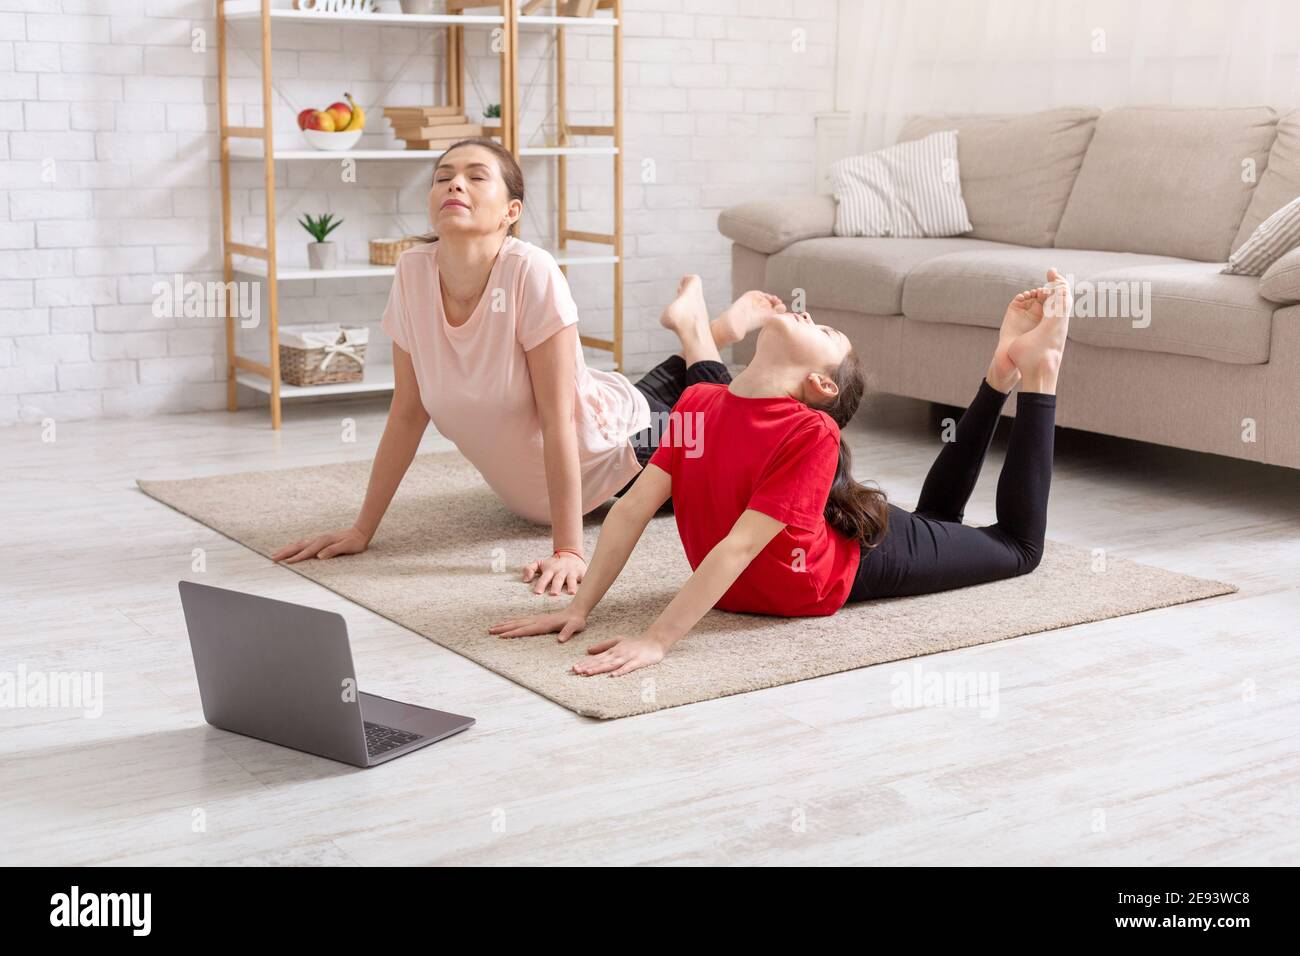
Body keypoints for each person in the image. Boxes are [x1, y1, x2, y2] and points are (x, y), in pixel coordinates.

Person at [488, 269, 1072, 678]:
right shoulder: (696, 405)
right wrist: (580, 607)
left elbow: (740, 546)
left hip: (843, 564)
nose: (810, 315)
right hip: (776, 567)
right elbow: (634, 509)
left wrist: (657, 639)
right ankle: (1001, 371)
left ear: (818, 385)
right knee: (937, 524)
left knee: (1018, 549)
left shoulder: (812, 432)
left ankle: (1036, 371)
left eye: (824, 334)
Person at [272, 137, 786, 597]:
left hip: (618, 452)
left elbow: (559, 419)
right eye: (443, 177)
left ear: (510, 211)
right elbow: (407, 412)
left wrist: (569, 549)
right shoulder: (411, 272)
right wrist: (363, 529)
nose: (455, 183)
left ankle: (701, 334)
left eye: (476, 176)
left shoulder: (530, 271)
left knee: (721, 425)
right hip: (594, 414)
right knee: (614, 394)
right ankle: (707, 330)